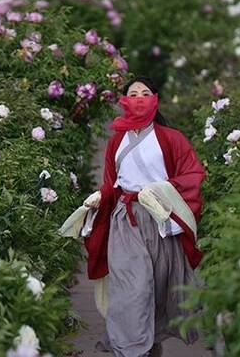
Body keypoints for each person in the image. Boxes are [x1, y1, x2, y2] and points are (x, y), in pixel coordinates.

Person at [82, 76, 206, 357]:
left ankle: (149, 342)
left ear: (155, 99)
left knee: (159, 288)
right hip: (125, 221)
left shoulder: (171, 138)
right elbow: (111, 182)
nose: (139, 98)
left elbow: (192, 174)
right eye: (133, 93)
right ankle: (131, 349)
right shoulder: (116, 141)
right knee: (132, 286)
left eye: (145, 93)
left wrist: (162, 192)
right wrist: (100, 198)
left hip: (160, 220)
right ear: (124, 101)